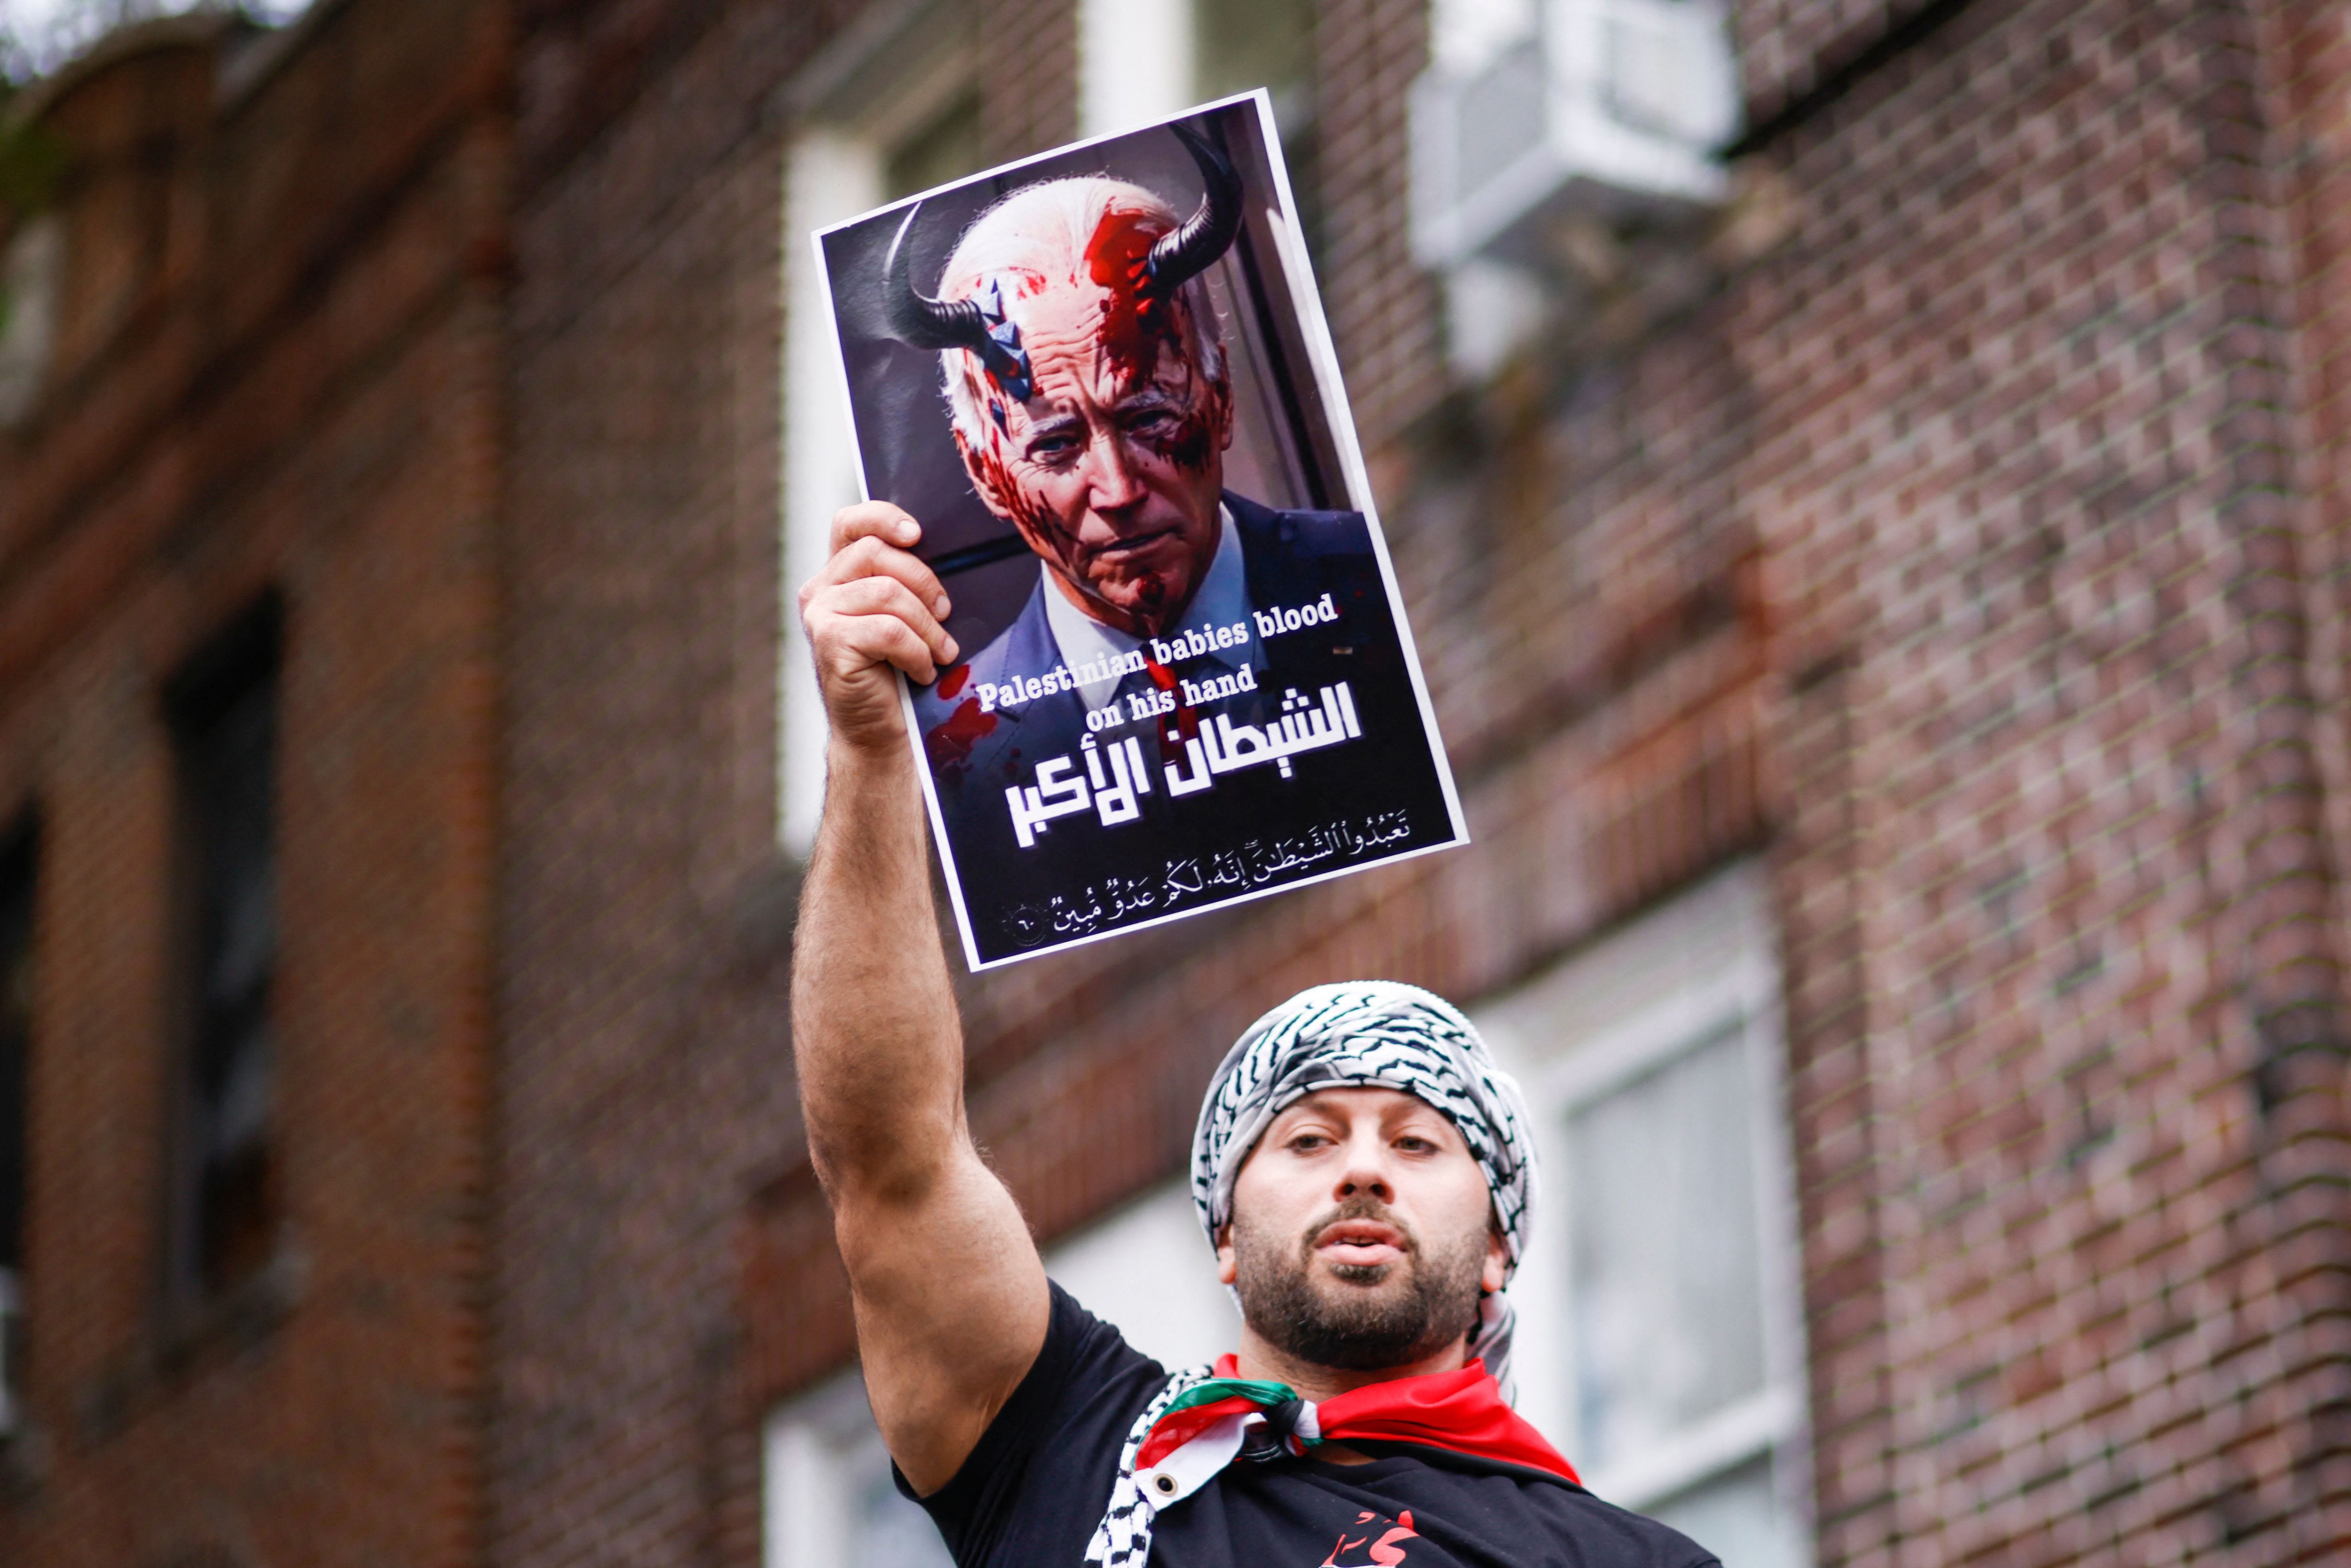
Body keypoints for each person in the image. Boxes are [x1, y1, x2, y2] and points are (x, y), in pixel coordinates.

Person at [790, 495, 1720, 1567]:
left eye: (1418, 1143)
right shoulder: (1067, 1448)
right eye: (1309, 1139)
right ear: (1225, 1234)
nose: (1363, 1171)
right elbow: (893, 1168)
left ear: (1498, 1249)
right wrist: (870, 750)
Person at [874, 125, 1453, 951]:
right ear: (987, 473)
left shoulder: (1387, 587)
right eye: (1056, 445)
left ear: (1220, 401)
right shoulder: (953, 747)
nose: (1117, 490)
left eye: (1149, 418)